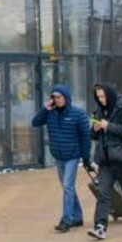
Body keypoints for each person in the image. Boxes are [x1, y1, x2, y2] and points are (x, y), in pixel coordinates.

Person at [32, 84, 93, 233]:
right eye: (54, 97)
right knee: (67, 187)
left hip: (72, 155)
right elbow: (35, 122)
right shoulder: (50, 113)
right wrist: (45, 109)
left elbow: (86, 137)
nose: (57, 100)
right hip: (58, 156)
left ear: (66, 98)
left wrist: (86, 157)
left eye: (59, 97)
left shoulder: (78, 114)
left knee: (67, 186)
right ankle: (77, 216)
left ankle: (66, 220)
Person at [87, 82, 122, 239]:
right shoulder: (99, 111)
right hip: (105, 160)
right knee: (103, 193)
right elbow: (94, 135)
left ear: (109, 94)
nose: (101, 100)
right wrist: (95, 130)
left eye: (103, 96)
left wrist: (108, 126)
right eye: (98, 97)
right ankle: (100, 227)